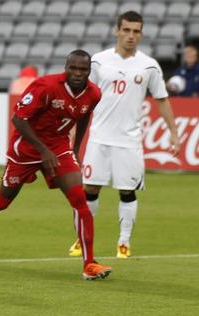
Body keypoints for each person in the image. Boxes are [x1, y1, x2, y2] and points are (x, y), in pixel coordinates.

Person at [0, 50, 113, 281]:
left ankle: (89, 264)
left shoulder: (94, 93)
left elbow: (84, 116)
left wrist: (74, 150)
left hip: (58, 148)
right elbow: (18, 118)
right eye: (73, 68)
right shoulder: (45, 86)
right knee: (1, 201)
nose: (77, 73)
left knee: (80, 200)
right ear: (65, 67)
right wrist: (43, 151)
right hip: (25, 149)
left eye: (83, 70)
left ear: (89, 71)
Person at [69, 11, 180, 259]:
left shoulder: (149, 65)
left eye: (136, 31)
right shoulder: (98, 61)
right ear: (117, 31)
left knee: (127, 191)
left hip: (129, 141)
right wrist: (73, 127)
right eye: (127, 30)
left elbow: (162, 100)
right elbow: (83, 97)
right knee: (90, 189)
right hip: (99, 137)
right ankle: (82, 238)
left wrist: (174, 134)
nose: (131, 35)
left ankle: (124, 241)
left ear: (141, 34)